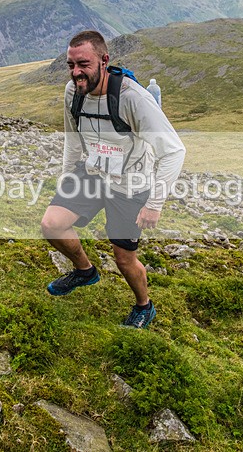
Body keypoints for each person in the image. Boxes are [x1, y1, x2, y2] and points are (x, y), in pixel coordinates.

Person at [41, 30, 186, 329]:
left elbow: (174, 151)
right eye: (71, 65)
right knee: (51, 225)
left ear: (104, 61)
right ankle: (85, 271)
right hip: (92, 172)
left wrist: (154, 204)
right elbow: (72, 138)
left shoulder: (133, 98)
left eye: (83, 64)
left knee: (123, 259)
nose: (76, 72)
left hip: (130, 183)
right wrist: (67, 177)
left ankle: (144, 306)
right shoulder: (73, 92)